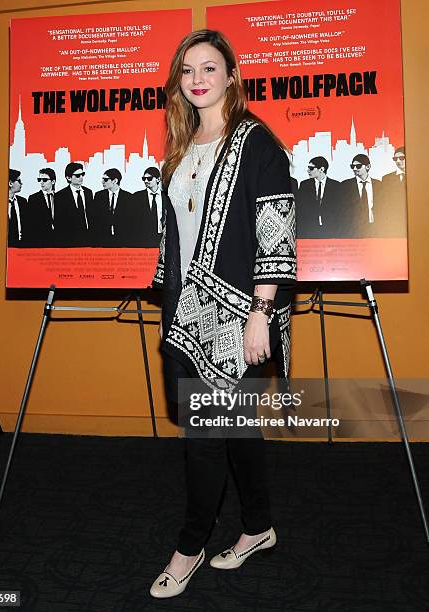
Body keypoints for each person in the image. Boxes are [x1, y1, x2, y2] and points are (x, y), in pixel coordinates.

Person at [149, 30, 296, 599]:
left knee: (205, 436)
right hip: (184, 313)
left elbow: (275, 233)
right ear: (179, 82)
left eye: (210, 67)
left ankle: (189, 546)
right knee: (234, 432)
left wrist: (261, 312)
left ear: (232, 76)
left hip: (239, 316)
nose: (199, 78)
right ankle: (258, 528)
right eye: (187, 70)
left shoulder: (259, 144)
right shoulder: (182, 144)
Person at [296, 156, 342, 238]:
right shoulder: (304, 185)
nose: (308, 170)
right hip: (309, 230)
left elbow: (339, 211)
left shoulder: (336, 186)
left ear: (321, 169)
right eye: (308, 168)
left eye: (311, 168)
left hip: (331, 230)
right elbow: (300, 209)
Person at [340, 153, 382, 237]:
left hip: (375, 228)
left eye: (358, 166)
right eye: (352, 166)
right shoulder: (345, 185)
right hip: (353, 230)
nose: (354, 168)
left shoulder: (379, 185)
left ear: (368, 166)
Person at [54, 162, 94, 247]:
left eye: (82, 174)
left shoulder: (88, 192)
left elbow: (91, 217)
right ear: (68, 178)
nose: (81, 177)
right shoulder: (60, 196)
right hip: (70, 241)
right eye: (77, 175)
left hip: (89, 240)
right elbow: (59, 222)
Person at [93, 168, 134, 246]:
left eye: (105, 180)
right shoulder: (98, 195)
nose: (102, 182)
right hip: (102, 240)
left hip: (122, 240)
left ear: (115, 181)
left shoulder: (128, 197)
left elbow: (131, 221)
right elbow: (95, 220)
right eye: (102, 179)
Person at [131, 166, 169, 247]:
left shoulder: (166, 197)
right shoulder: (136, 197)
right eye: (144, 179)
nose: (146, 181)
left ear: (158, 179)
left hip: (161, 239)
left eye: (149, 178)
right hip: (142, 240)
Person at [27, 168, 56, 247]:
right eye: (39, 179)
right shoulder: (33, 198)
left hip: (58, 241)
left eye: (45, 180)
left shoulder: (60, 197)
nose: (41, 182)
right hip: (40, 242)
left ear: (53, 182)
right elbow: (30, 223)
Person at [8, 169, 28, 247]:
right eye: (19, 181)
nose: (21, 183)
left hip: (21, 246)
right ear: (10, 183)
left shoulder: (22, 202)